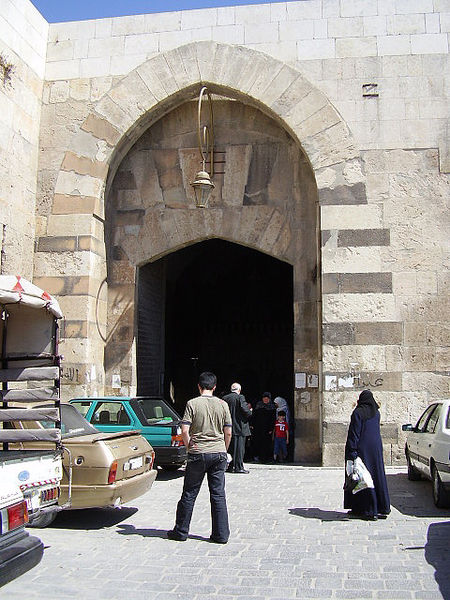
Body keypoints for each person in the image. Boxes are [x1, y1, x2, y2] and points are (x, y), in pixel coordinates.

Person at [167, 371, 232, 543]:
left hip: (198, 453)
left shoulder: (192, 404)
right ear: (215, 387)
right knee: (218, 494)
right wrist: (223, 450)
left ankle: (181, 531)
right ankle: (221, 534)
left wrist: (189, 447)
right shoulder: (223, 404)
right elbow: (229, 432)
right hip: (218, 453)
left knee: (189, 493)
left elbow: (185, 430)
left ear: (199, 386)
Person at [344, 389, 390, 521]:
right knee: (376, 475)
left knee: (361, 478)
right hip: (375, 449)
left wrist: (352, 451)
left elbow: (355, 433)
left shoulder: (358, 413)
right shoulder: (376, 413)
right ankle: (381, 507)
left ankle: (368, 509)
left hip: (362, 449)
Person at [223, 382, 252, 473]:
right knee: (239, 449)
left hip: (228, 427)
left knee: (231, 448)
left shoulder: (225, 398)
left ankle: (231, 466)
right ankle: (239, 467)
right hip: (239, 427)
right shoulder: (240, 397)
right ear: (239, 390)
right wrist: (250, 411)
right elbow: (245, 410)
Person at [251, 391, 276, 463]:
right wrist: (252, 424)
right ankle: (256, 456)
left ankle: (265, 458)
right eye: (264, 398)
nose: (265, 400)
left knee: (266, 444)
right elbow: (254, 416)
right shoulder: (258, 405)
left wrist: (271, 428)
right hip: (258, 428)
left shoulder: (272, 407)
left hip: (267, 429)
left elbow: (273, 419)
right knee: (257, 442)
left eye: (267, 398)